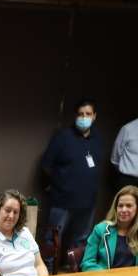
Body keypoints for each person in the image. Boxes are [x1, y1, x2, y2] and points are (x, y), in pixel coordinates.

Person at [40, 98, 104, 255]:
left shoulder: (97, 138)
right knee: (52, 240)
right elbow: (46, 165)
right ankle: (47, 268)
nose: (84, 117)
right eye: (81, 114)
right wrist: (60, 184)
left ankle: (73, 267)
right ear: (75, 116)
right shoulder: (62, 137)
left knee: (80, 241)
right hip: (62, 201)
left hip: (87, 202)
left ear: (94, 116)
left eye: (88, 114)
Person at [80, 185, 138, 271]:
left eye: (129, 206)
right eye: (120, 206)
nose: (123, 210)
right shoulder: (100, 230)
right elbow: (87, 263)